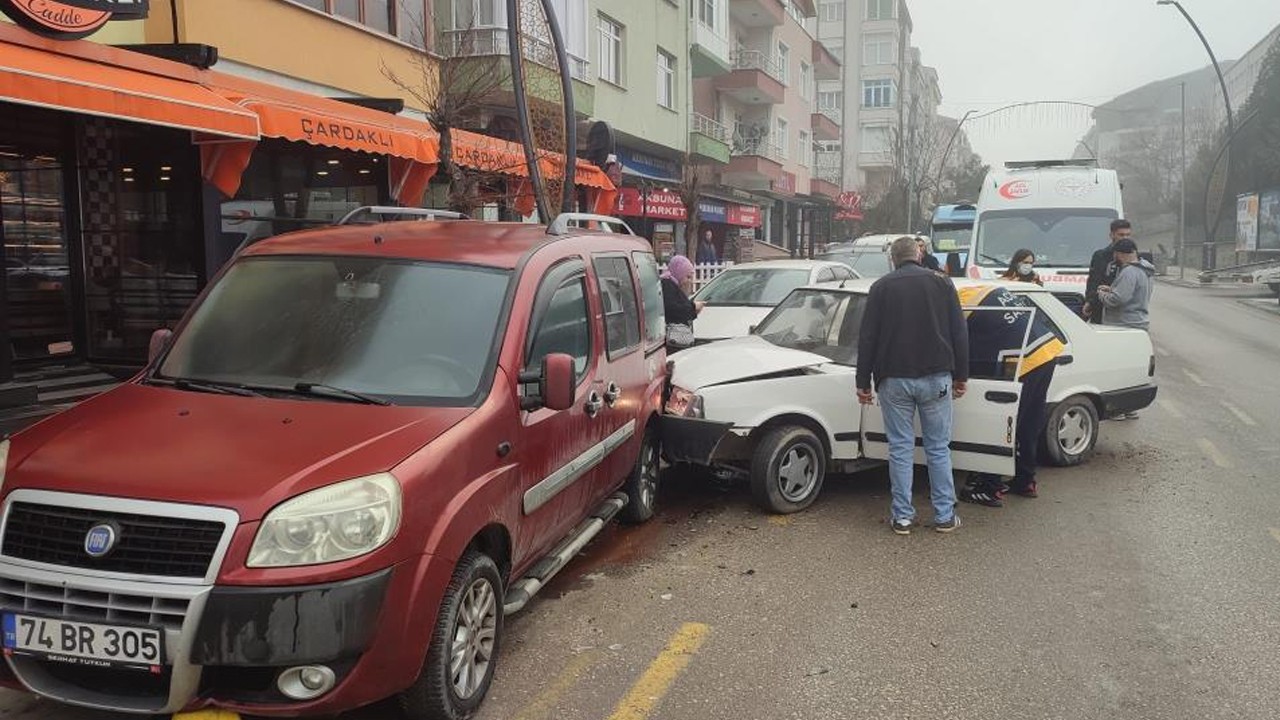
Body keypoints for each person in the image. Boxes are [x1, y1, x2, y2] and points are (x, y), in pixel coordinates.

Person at [856, 236, 969, 535]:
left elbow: (867, 338)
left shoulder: (881, 287)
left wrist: (862, 382)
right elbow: (959, 332)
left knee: (901, 448)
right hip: (937, 378)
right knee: (938, 448)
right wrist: (962, 376)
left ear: (893, 259)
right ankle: (945, 516)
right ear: (919, 255)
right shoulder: (943, 283)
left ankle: (903, 517)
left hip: (893, 379)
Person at [956, 285, 1066, 505]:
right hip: (1047, 350)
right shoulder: (972, 289)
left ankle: (990, 487)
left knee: (999, 424)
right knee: (1028, 423)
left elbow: (954, 341)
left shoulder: (956, 302)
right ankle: (1025, 481)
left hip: (1024, 360)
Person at [1097, 238, 1155, 330]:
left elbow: (1117, 299)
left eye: (1115, 254)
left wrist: (1101, 294)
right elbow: (1135, 293)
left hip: (1123, 325)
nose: (1115, 257)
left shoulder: (1129, 272)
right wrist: (1112, 289)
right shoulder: (1145, 270)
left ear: (1120, 254)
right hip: (1138, 323)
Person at [1084, 219, 1132, 323]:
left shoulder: (1135, 259)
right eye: (1121, 235)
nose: (1125, 238)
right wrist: (1089, 302)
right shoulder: (1100, 256)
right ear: (1112, 235)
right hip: (1100, 309)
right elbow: (1093, 281)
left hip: (1125, 312)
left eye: (1128, 235)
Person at [661, 255, 703, 351]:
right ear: (679, 273)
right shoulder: (667, 286)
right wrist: (694, 308)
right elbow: (673, 309)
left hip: (676, 339)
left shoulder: (672, 285)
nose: (689, 281)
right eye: (687, 277)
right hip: (673, 342)